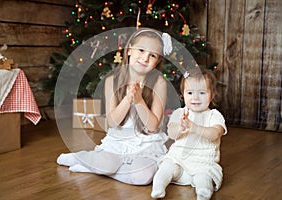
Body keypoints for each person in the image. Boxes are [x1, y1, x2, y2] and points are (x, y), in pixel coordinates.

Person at [57, 28, 173, 185]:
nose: (145, 58)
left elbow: (152, 126)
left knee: (143, 177)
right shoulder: (112, 80)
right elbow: (112, 122)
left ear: (158, 61)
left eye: (152, 55)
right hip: (118, 143)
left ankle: (94, 167)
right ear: (130, 49)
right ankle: (82, 158)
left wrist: (139, 101)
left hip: (146, 144)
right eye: (141, 50)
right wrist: (128, 98)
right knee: (107, 164)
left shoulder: (159, 83)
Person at [151, 67, 227, 200]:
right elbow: (171, 133)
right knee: (167, 166)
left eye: (202, 93)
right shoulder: (180, 113)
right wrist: (180, 128)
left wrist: (195, 127)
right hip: (179, 159)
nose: (195, 97)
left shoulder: (214, 115)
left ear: (212, 95)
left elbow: (215, 133)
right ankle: (158, 187)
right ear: (182, 95)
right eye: (190, 93)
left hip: (203, 161)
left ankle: (203, 192)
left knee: (203, 176)